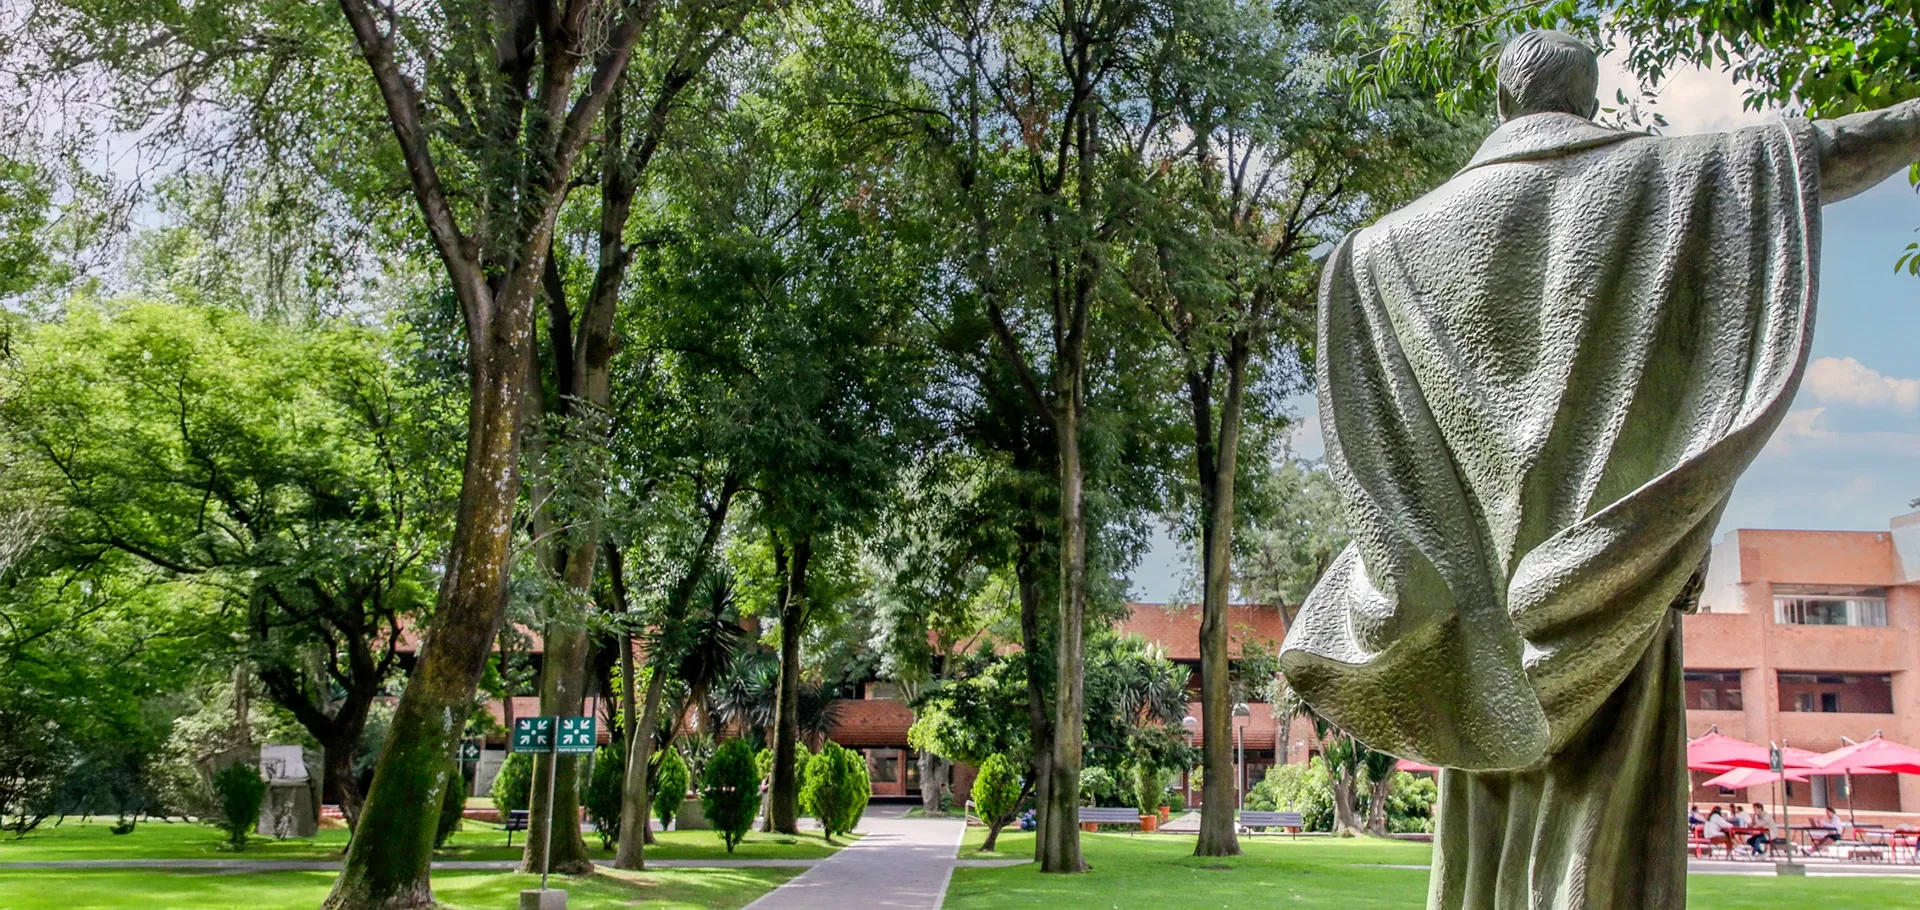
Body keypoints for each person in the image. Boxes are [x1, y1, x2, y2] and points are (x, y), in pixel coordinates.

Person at [1276, 27, 1920, 910]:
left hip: (1475, 623)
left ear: (1503, 102)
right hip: (1612, 582)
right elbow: (1831, 151)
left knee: (1489, 834)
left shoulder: (1379, 251)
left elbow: (1378, 465)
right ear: (1587, 100)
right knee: (1605, 844)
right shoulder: (1675, 180)